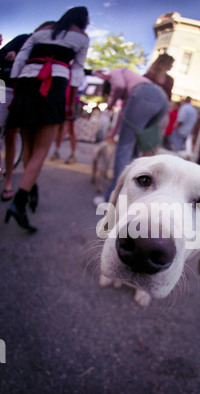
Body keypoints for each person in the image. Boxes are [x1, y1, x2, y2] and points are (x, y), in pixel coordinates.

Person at [4, 7, 89, 232]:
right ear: (83, 21)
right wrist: (70, 104)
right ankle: (19, 203)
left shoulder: (42, 30)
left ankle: (29, 187)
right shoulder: (81, 37)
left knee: (30, 147)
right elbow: (77, 71)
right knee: (42, 149)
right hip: (53, 86)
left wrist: (15, 83)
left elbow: (21, 57)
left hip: (24, 83)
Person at [93, 67, 169, 203]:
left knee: (124, 148)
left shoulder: (115, 72)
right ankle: (134, 195)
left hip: (145, 95)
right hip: (162, 100)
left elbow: (119, 86)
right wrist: (113, 133)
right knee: (134, 150)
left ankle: (111, 200)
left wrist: (111, 103)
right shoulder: (134, 85)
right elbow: (124, 117)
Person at [0, 33, 31, 201]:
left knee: (11, 136)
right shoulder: (18, 43)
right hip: (3, 88)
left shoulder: (33, 42)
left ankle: (8, 181)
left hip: (17, 91)